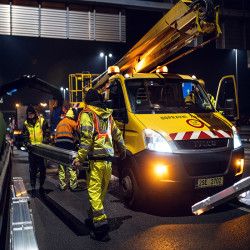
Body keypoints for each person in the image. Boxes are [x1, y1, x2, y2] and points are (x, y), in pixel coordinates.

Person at [72, 89, 126, 242]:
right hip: (108, 161)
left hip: (96, 161)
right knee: (100, 193)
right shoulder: (107, 115)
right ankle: (92, 219)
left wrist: (80, 159)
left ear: (87, 102)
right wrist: (123, 149)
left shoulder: (87, 114)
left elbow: (86, 138)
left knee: (94, 194)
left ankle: (101, 229)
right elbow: (117, 134)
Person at [23, 105, 50, 197]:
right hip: (32, 151)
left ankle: (41, 186)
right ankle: (33, 188)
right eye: (28, 115)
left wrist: (44, 142)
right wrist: (28, 144)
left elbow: (47, 133)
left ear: (34, 114)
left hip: (41, 150)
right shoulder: (26, 124)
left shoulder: (42, 121)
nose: (30, 117)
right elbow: (25, 137)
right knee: (32, 170)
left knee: (42, 169)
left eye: (31, 115)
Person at [55, 108, 83, 192]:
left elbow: (56, 137)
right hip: (67, 145)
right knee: (71, 165)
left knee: (61, 166)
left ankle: (62, 185)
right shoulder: (71, 122)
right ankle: (73, 185)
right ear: (72, 117)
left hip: (59, 146)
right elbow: (79, 131)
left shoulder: (60, 123)